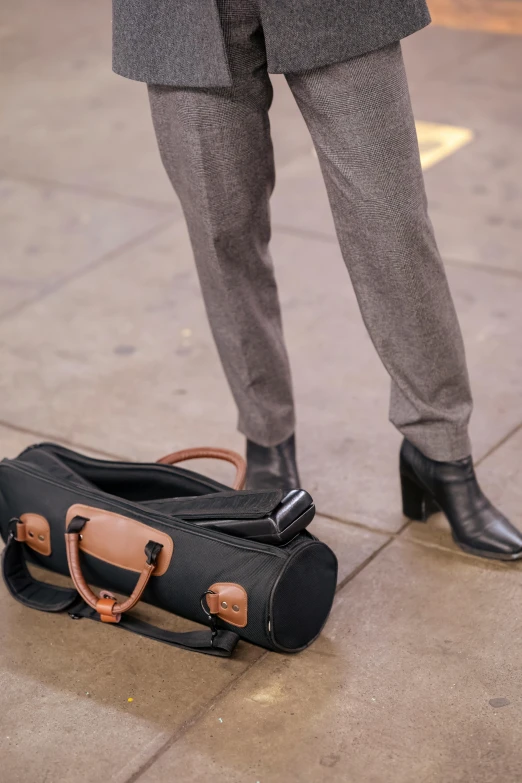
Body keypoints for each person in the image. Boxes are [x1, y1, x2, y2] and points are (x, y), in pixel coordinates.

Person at [112, 0, 522, 561]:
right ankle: (267, 441)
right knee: (222, 233)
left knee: (392, 223)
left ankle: (442, 451)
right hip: (180, 14)